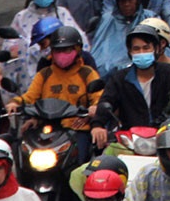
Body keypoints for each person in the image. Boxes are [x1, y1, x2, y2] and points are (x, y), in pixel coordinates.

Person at [6, 26, 103, 158]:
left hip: (77, 128)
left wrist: (94, 108)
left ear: (77, 49)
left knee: (83, 160)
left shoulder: (87, 73)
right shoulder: (44, 74)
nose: (62, 54)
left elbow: (99, 97)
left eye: (67, 49)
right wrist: (15, 103)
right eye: (57, 50)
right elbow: (30, 96)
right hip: (47, 128)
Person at [92, 24, 170, 149]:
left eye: (146, 48)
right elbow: (107, 101)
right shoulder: (119, 78)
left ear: (156, 49)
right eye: (136, 49)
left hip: (167, 141)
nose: (142, 53)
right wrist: (97, 126)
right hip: (130, 142)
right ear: (130, 52)